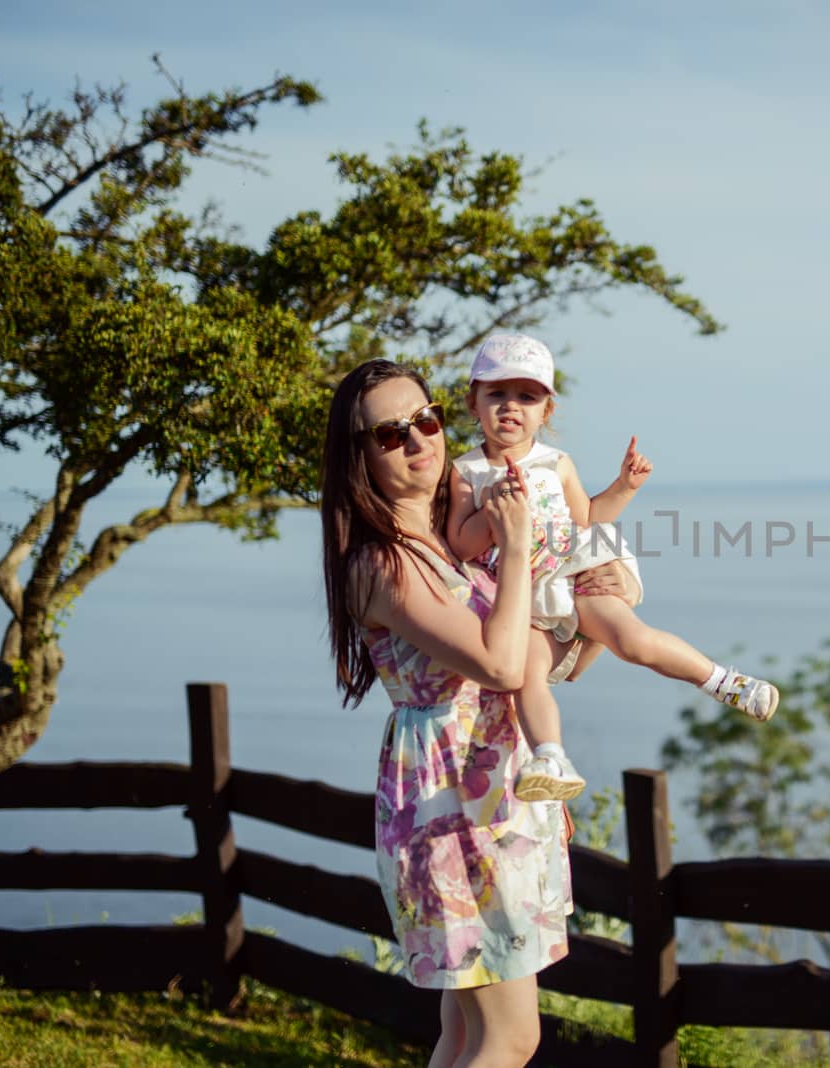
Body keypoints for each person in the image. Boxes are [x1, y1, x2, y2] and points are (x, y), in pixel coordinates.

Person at [321, 359, 628, 1068]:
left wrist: (596, 609)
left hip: (493, 791)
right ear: (359, 455)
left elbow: (536, 664)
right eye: (389, 433)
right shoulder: (385, 563)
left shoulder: (445, 540)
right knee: (510, 1037)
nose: (419, 440)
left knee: (463, 1035)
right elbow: (494, 665)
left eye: (425, 419)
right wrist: (517, 548)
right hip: (450, 805)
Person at [446, 333, 779, 803]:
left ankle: (723, 681)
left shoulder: (556, 463)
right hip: (524, 594)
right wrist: (494, 516)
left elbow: (588, 518)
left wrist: (625, 487)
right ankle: (550, 756)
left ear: (547, 412)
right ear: (473, 402)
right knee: (527, 675)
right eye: (496, 394)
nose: (510, 407)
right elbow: (461, 542)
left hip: (575, 573)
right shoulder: (466, 472)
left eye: (527, 397)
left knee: (631, 640)